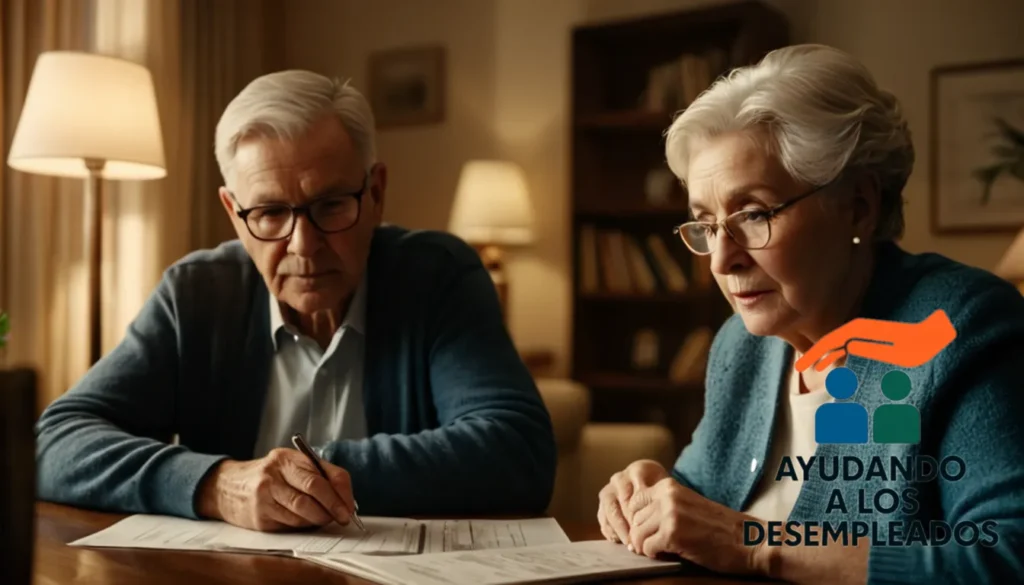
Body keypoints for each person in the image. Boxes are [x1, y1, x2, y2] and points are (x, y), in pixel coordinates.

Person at [35, 70, 557, 532]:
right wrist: (219, 485)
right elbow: (52, 444)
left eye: (331, 206)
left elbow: (518, 452)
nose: (303, 246)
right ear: (233, 213)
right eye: (269, 213)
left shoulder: (438, 277)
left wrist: (306, 475)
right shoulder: (195, 293)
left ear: (376, 193)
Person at [596, 44, 1024, 584]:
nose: (723, 260)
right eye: (706, 225)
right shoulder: (741, 344)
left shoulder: (959, 329)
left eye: (753, 214)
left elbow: (1007, 557)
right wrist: (655, 493)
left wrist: (755, 546)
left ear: (859, 206)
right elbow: (707, 501)